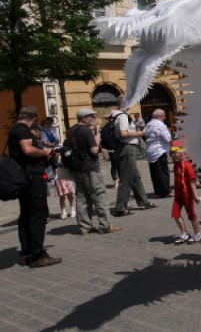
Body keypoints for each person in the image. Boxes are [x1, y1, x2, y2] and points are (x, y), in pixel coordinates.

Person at [7, 106, 61, 267]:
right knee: (38, 215)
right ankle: (37, 255)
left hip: (24, 178)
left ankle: (27, 252)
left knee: (26, 215)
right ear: (34, 117)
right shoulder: (23, 130)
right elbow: (27, 149)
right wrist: (46, 153)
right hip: (32, 179)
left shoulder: (14, 129)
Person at [68, 108, 122, 235]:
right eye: (91, 116)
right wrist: (97, 140)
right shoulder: (86, 131)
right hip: (89, 167)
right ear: (84, 118)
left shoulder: (71, 130)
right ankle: (105, 225)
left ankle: (84, 227)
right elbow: (93, 150)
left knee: (81, 197)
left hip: (77, 168)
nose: (93, 118)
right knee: (99, 195)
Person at [112, 96, 157, 216]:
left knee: (135, 176)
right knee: (126, 178)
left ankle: (143, 201)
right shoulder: (122, 116)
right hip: (127, 148)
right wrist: (140, 133)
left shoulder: (118, 115)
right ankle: (120, 207)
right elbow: (123, 133)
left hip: (127, 147)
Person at [170, 142, 201, 244]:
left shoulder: (187, 166)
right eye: (171, 152)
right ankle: (184, 233)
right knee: (175, 214)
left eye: (174, 152)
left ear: (181, 152)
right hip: (178, 195)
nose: (172, 155)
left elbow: (192, 182)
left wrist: (195, 196)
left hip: (187, 195)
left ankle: (198, 234)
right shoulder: (176, 165)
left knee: (191, 215)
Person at [144, 109, 172, 198]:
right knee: (163, 172)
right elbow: (167, 138)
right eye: (164, 116)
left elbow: (144, 134)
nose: (165, 118)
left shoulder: (148, 124)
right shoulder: (160, 125)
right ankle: (166, 191)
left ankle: (158, 191)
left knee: (155, 172)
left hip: (150, 150)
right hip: (160, 150)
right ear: (159, 116)